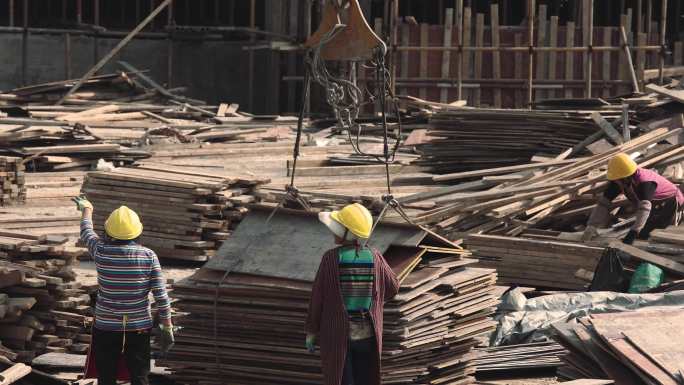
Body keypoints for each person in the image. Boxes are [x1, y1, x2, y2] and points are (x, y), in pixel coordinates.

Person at [72, 196, 175, 385]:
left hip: (106, 326)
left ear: (109, 231)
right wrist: (167, 325)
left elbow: (86, 231)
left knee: (106, 376)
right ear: (137, 232)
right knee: (139, 375)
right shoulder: (149, 256)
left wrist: (87, 209)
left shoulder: (100, 251)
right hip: (138, 327)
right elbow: (161, 295)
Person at [305, 203, 399, 385]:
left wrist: (311, 331)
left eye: (337, 228)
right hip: (369, 337)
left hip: (339, 338)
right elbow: (393, 286)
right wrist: (376, 300)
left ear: (347, 232)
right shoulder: (375, 256)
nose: (333, 232)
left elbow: (318, 298)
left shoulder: (331, 258)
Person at [583, 153, 683, 244]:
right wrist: (591, 225)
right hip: (655, 205)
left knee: (659, 235)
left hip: (671, 202)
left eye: (617, 179)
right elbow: (603, 203)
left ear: (625, 177)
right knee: (643, 234)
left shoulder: (645, 183)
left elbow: (644, 209)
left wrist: (633, 233)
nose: (615, 182)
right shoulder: (619, 180)